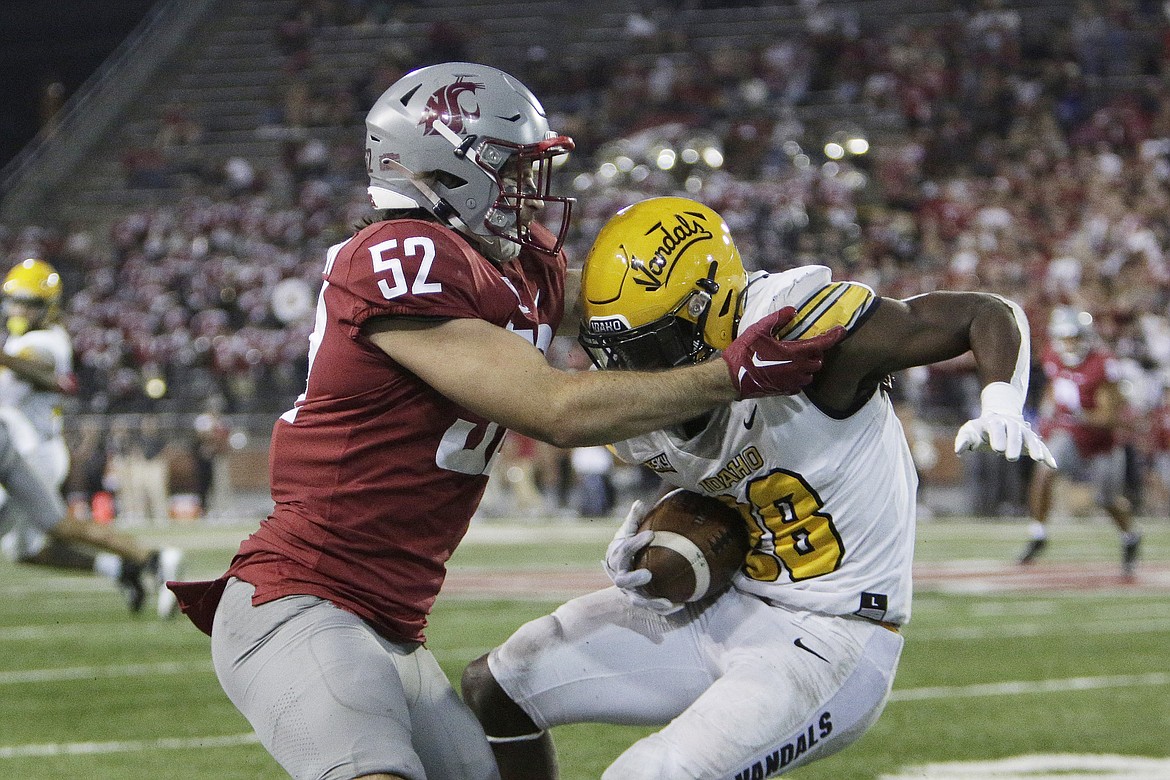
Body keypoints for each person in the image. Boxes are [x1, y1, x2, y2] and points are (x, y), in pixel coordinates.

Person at [165, 63, 845, 780]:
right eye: (513, 169)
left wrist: (743, 293)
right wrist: (730, 373)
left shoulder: (517, 266)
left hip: (391, 627)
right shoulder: (399, 256)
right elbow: (554, 408)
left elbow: (634, 307)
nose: (530, 192)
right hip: (302, 598)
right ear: (444, 169)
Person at [461, 196, 1057, 780]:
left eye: (654, 343)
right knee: (499, 686)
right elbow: (731, 490)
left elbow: (982, 312)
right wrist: (664, 538)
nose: (629, 364)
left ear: (715, 308)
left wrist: (1002, 400)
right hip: (722, 603)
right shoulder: (633, 385)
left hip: (833, 633)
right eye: (614, 345)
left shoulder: (798, 331)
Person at [0, 258, 184, 617]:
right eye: (15, 301)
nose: (19, 309)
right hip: (21, 449)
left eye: (30, 303)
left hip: (31, 452)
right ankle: (127, 565)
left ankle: (152, 558)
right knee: (28, 550)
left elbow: (41, 368)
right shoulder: (18, 342)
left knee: (60, 527)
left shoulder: (44, 341)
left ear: (47, 307)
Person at [1018, 306, 1141, 578]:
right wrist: (1047, 415)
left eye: (1074, 338)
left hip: (1102, 443)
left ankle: (1130, 536)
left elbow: (1108, 418)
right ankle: (1038, 533)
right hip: (1071, 435)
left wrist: (1075, 414)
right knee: (1044, 471)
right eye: (1064, 338)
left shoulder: (1102, 365)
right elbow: (1053, 387)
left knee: (1107, 499)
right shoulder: (1052, 356)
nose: (1069, 345)